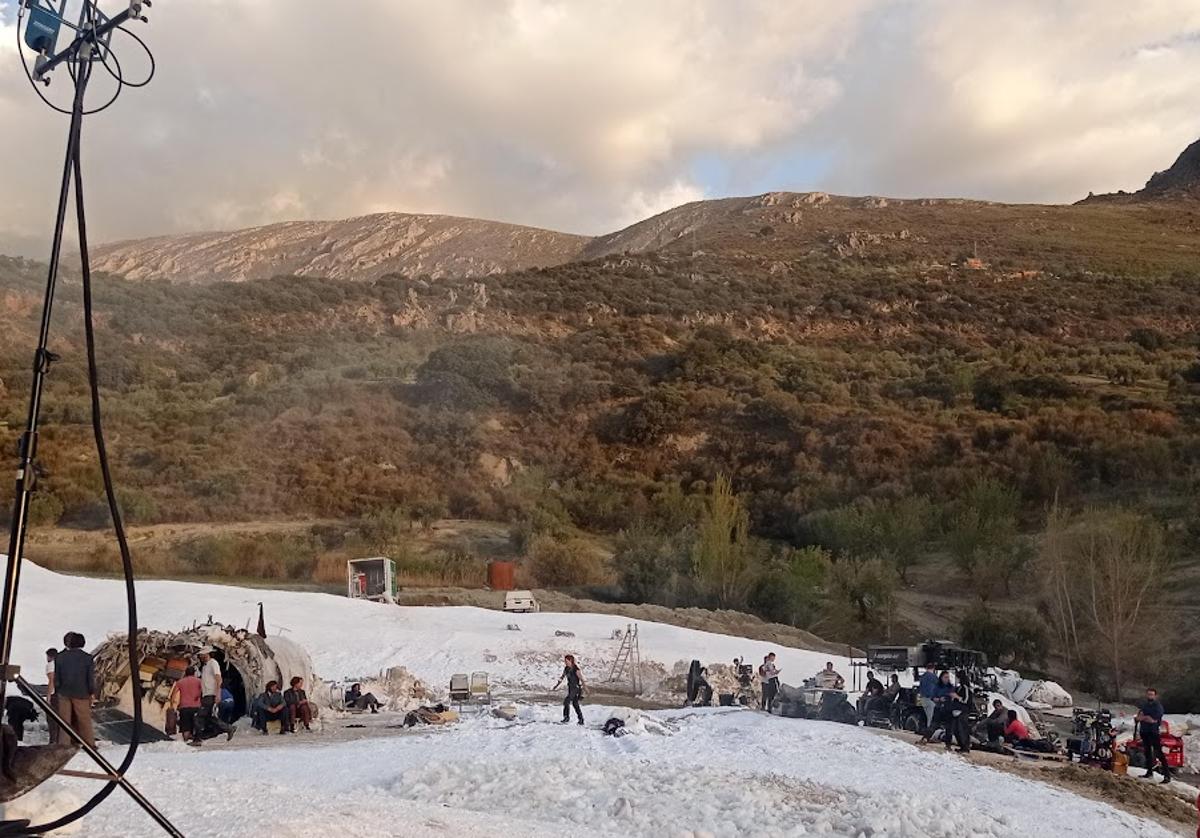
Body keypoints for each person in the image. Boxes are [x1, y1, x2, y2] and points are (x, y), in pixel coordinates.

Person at [54, 631, 96, 747]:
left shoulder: (60, 657)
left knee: (64, 721)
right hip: (82, 693)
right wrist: (91, 691)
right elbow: (90, 677)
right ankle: (89, 744)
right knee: (84, 720)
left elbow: (57, 678)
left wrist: (58, 689)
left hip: (64, 692)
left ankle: (64, 744)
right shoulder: (88, 658)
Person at [191, 647, 234, 746]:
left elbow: (218, 679)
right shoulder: (205, 667)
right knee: (209, 717)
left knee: (199, 716)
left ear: (207, 654)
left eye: (202, 654)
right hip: (206, 695)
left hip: (211, 694)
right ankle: (228, 728)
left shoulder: (213, 663)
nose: (200, 656)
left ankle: (197, 739)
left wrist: (218, 693)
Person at [1135, 687, 1171, 783]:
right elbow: (1139, 717)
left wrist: (1144, 717)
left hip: (1153, 732)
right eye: (1148, 694)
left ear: (1155, 696)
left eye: (1152, 694)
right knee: (1147, 752)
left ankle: (1167, 776)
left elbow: (1153, 720)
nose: (1150, 696)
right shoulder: (1144, 705)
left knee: (1159, 753)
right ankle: (1149, 772)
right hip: (1144, 731)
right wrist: (1144, 718)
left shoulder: (1158, 706)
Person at [169, 666, 203, 742]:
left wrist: (172, 705)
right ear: (194, 673)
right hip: (196, 706)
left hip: (184, 707)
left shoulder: (180, 682)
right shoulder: (199, 681)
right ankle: (196, 739)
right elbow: (203, 691)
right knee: (196, 723)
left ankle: (185, 741)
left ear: (185, 673)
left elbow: (173, 694)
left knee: (185, 726)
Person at [920, 670, 954, 745]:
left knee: (949, 727)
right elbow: (932, 697)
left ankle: (948, 744)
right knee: (934, 725)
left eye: (948, 677)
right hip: (939, 708)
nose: (947, 679)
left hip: (948, 709)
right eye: (945, 677)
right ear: (941, 678)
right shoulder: (937, 687)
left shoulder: (950, 687)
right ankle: (925, 738)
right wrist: (939, 699)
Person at [553, 654, 585, 725]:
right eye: (565, 661)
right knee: (575, 704)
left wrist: (585, 689)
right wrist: (556, 685)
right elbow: (562, 677)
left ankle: (566, 717)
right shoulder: (566, 669)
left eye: (566, 661)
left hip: (576, 688)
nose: (565, 662)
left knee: (566, 701)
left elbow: (582, 679)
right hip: (570, 688)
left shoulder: (576, 669)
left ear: (571, 661)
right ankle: (581, 719)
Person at [947, 670, 974, 753]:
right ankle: (962, 746)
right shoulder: (959, 688)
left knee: (962, 729)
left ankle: (965, 747)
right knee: (956, 729)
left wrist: (957, 697)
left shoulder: (965, 688)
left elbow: (966, 700)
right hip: (956, 710)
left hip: (963, 711)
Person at [917, 662, 938, 730]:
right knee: (931, 718)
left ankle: (928, 730)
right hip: (930, 699)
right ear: (933, 668)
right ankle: (929, 733)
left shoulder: (923, 676)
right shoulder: (933, 677)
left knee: (928, 716)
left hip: (923, 699)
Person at [44, 647, 58, 741]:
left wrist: (48, 697)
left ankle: (53, 741)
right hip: (64, 694)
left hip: (55, 695)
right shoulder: (61, 664)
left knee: (51, 719)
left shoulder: (50, 665)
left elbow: (51, 681)